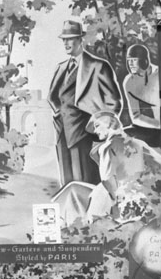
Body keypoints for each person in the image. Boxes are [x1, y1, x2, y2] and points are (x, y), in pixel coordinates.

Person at [47, 19, 122, 188]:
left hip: (86, 136)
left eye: (70, 38)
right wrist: (59, 114)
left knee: (86, 185)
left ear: (80, 39)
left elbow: (114, 102)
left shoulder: (98, 66)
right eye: (64, 39)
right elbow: (52, 97)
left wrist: (100, 126)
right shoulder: (61, 67)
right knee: (67, 184)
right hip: (62, 134)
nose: (66, 43)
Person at [53, 110, 161, 225]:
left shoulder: (107, 147)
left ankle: (71, 230)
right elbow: (159, 164)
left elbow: (107, 179)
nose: (96, 131)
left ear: (110, 123)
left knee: (72, 190)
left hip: (116, 200)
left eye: (97, 126)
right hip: (141, 198)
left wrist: (116, 204)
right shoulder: (140, 144)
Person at [122, 43, 160, 130]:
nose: (130, 63)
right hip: (151, 126)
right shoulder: (129, 82)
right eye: (129, 60)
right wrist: (157, 125)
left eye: (134, 60)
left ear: (144, 61)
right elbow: (135, 116)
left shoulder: (160, 74)